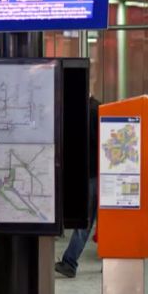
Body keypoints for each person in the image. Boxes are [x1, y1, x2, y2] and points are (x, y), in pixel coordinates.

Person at [55, 96, 100, 278]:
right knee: (88, 222)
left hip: (90, 175)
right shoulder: (96, 109)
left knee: (85, 222)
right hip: (96, 173)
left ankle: (69, 262)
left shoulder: (85, 112)